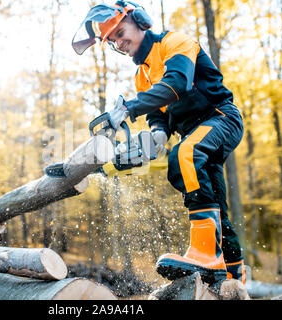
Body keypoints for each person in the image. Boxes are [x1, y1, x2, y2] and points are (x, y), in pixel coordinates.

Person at [72, 0, 246, 285]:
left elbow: (177, 83)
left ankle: (205, 254)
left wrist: (128, 109)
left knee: (185, 156)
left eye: (120, 31)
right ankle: (234, 281)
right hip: (194, 135)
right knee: (218, 210)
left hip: (221, 117)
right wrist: (155, 137)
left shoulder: (175, 42)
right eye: (112, 40)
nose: (119, 42)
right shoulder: (141, 75)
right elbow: (158, 117)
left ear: (138, 20)